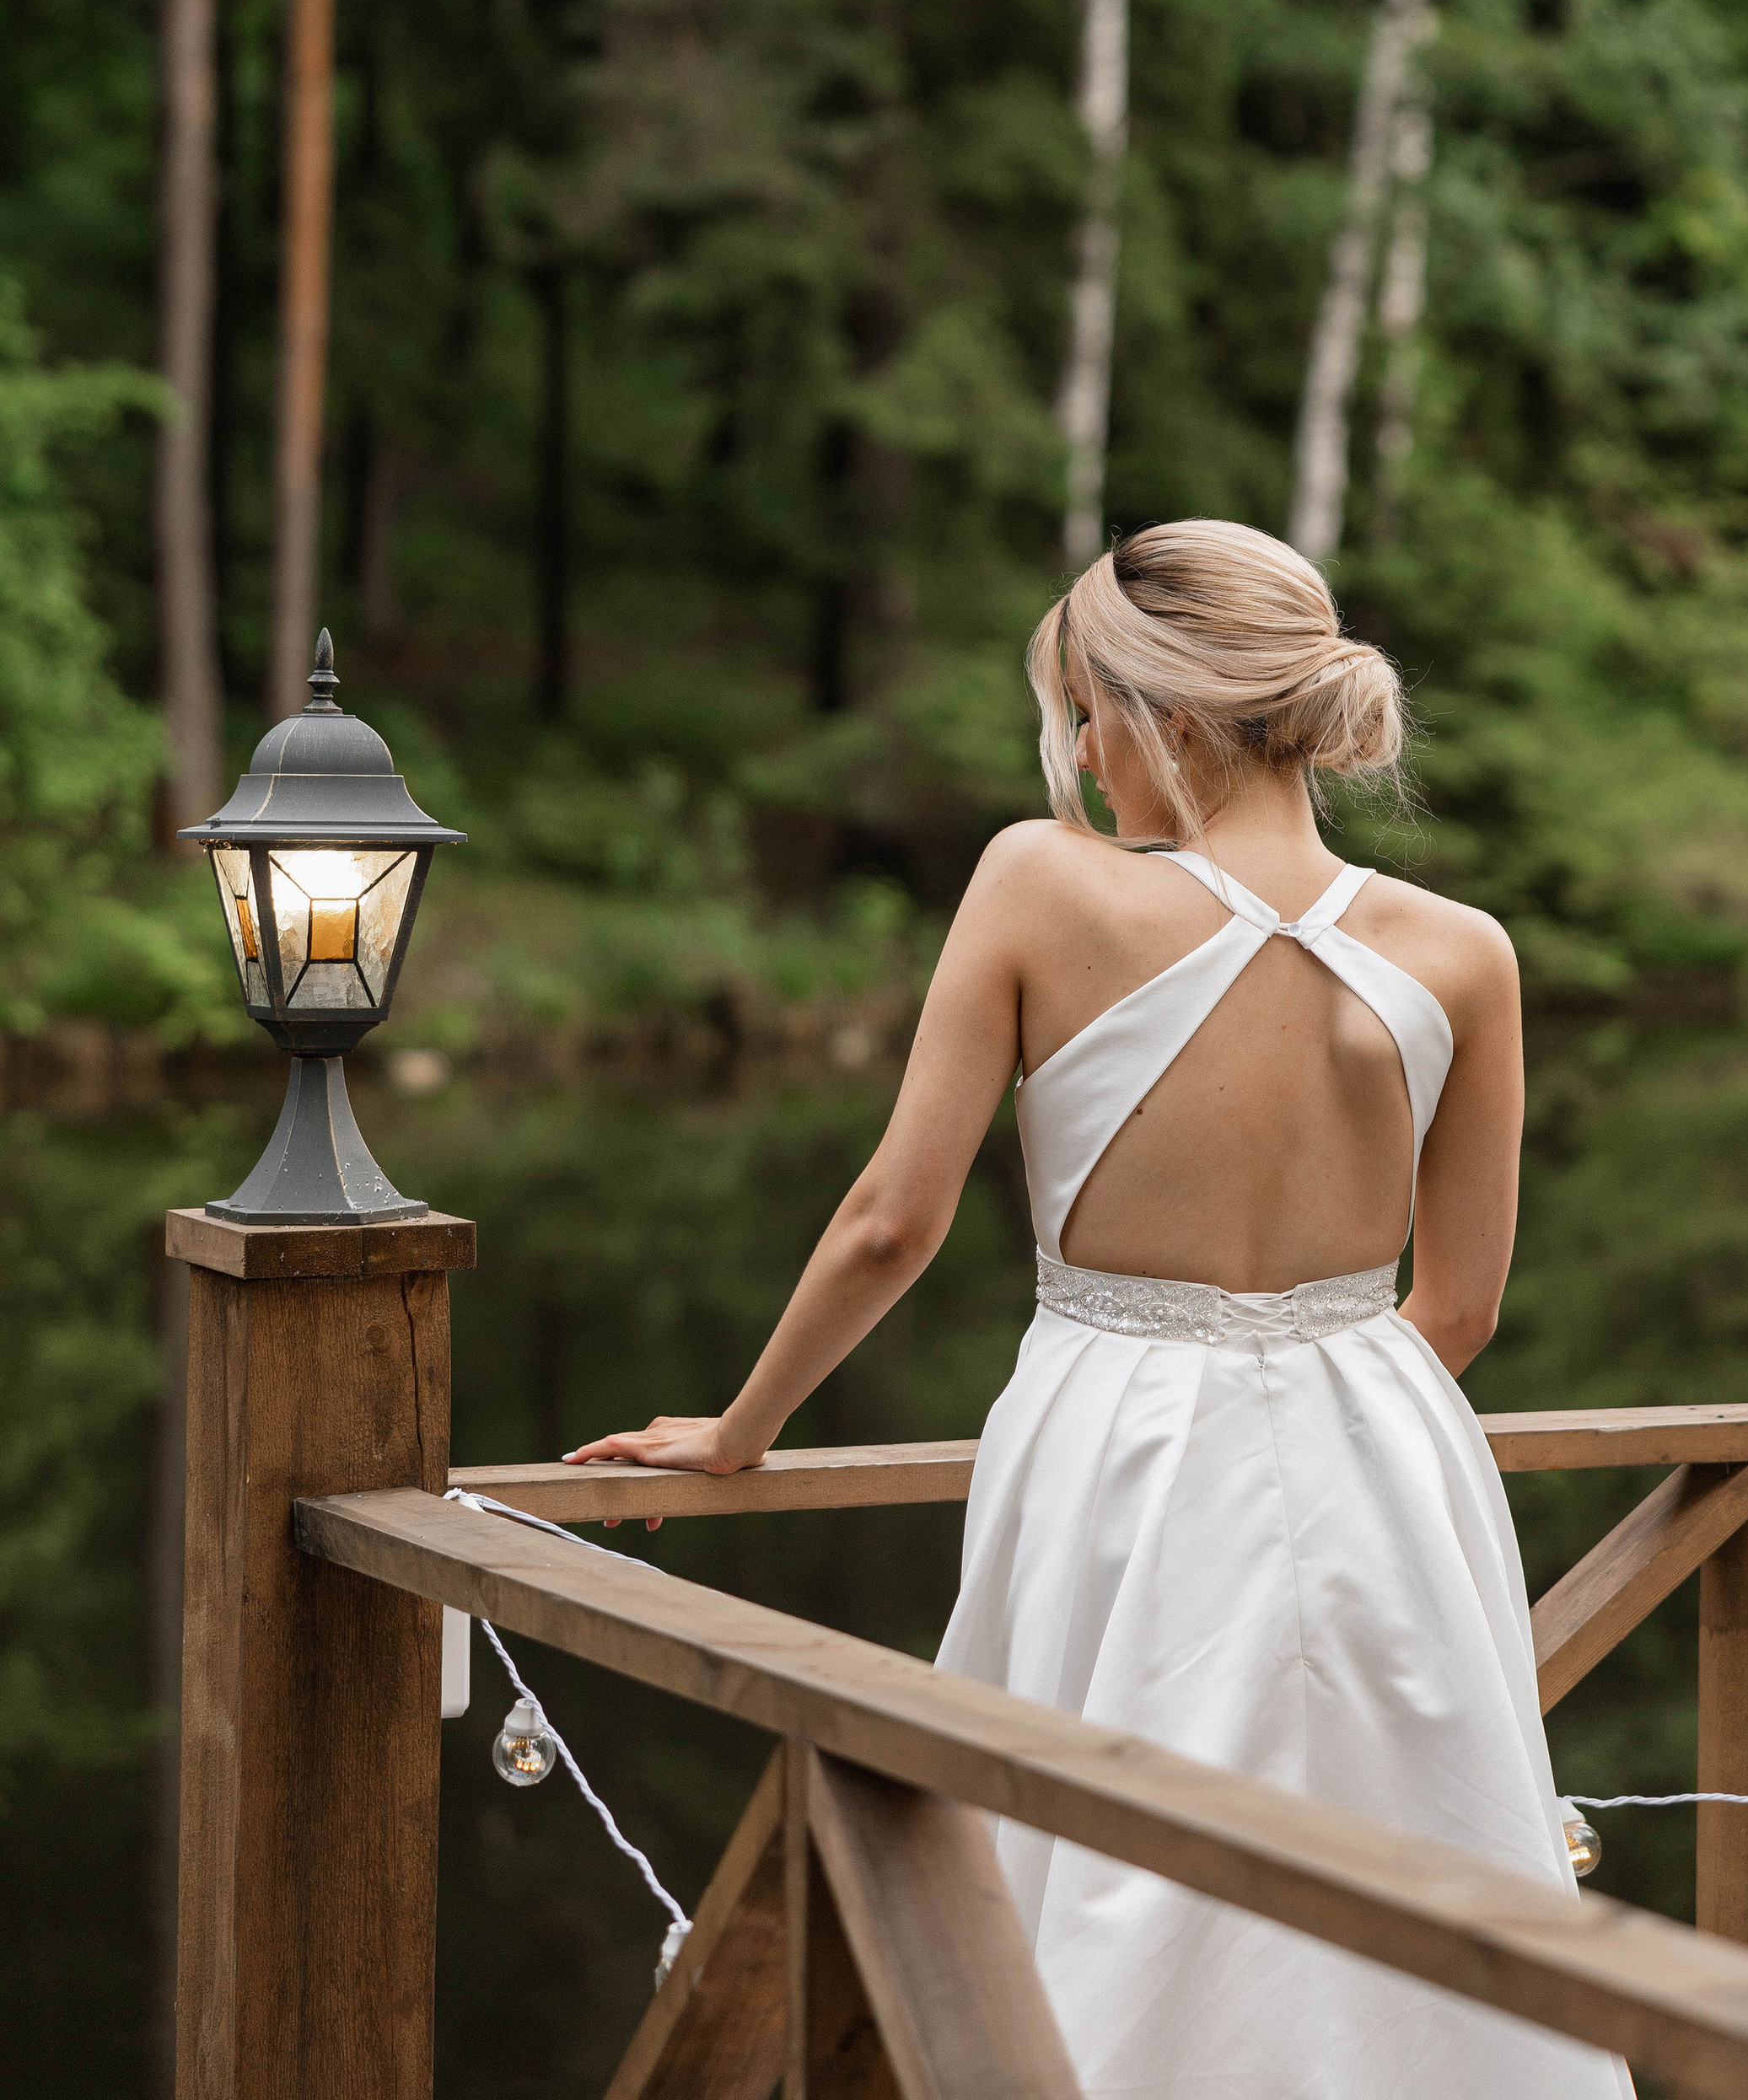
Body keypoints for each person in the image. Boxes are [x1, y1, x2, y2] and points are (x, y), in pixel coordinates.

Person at [567, 519, 1629, 2099]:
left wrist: (741, 1432)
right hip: (1389, 1459)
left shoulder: (1038, 884)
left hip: (1120, 1442)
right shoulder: (1464, 952)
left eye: (1087, 711)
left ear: (1174, 715)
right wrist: (1309, 1399)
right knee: (1404, 1870)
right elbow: (1460, 1308)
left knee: (1095, 1865)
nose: (1077, 751)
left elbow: (889, 1222)